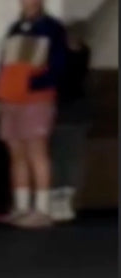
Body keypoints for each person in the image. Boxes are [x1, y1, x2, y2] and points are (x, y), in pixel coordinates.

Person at [0, 0, 67, 228]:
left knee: (36, 150)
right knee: (16, 153)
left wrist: (34, 84)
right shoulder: (15, 27)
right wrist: (1, 90)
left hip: (36, 98)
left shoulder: (52, 28)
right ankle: (22, 205)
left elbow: (57, 65)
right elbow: (5, 62)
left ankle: (42, 208)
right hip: (11, 97)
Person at [50, 18, 92, 222]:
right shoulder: (84, 52)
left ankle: (59, 198)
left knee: (60, 155)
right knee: (71, 156)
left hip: (64, 109)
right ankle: (65, 200)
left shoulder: (63, 56)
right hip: (78, 110)